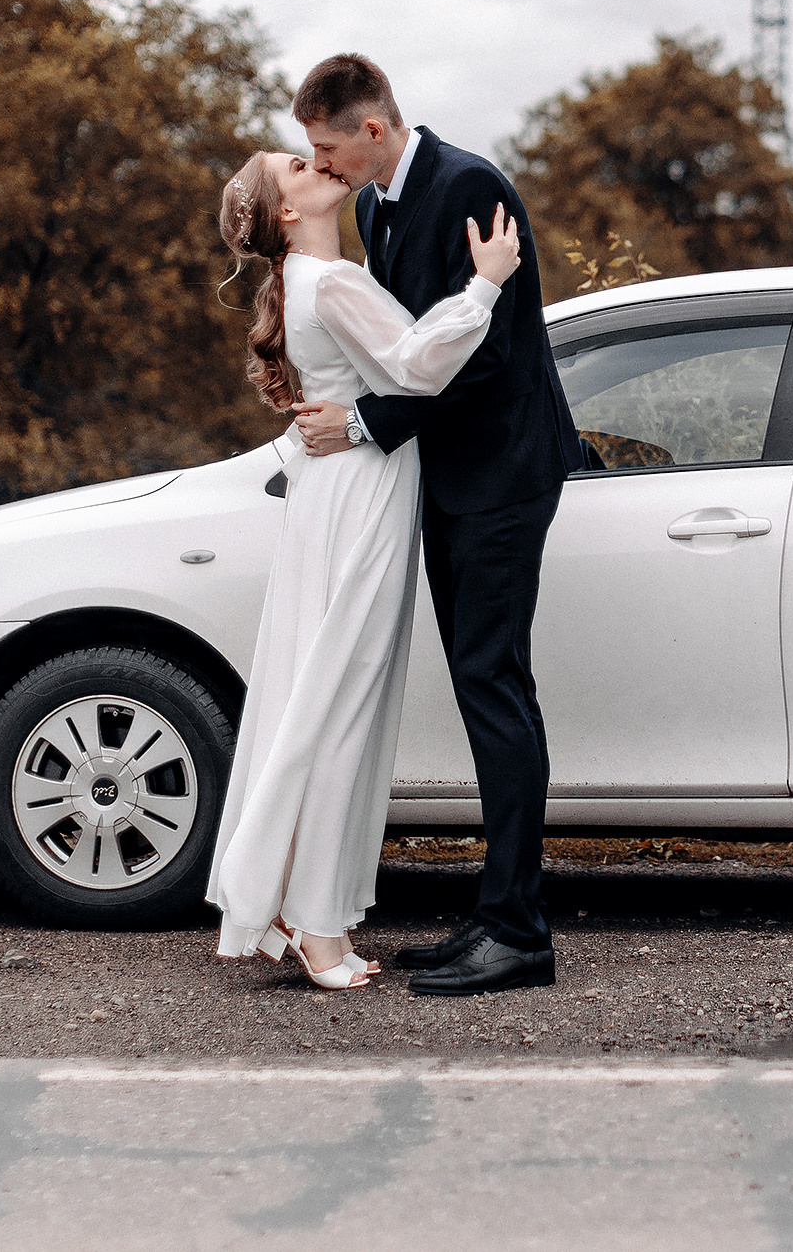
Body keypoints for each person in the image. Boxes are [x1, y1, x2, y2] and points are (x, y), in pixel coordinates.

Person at [289, 53, 582, 997]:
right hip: (447, 477)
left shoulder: (470, 183)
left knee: (493, 685)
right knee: (478, 684)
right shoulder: (374, 209)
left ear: (373, 130)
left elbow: (485, 354)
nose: (322, 166)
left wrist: (367, 425)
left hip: (502, 475)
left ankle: (519, 933)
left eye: (328, 148)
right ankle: (495, 913)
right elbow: (415, 349)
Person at [205, 146, 522, 989]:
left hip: (338, 491)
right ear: (285, 211)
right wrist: (486, 283)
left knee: (320, 691)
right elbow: (420, 364)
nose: (318, 165)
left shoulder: (317, 277)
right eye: (297, 167)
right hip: (364, 494)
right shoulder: (329, 280)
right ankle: (315, 925)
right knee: (341, 700)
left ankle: (293, 900)